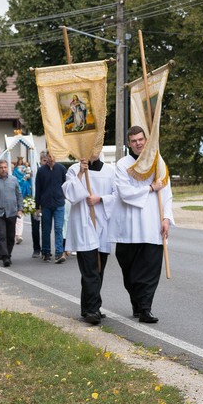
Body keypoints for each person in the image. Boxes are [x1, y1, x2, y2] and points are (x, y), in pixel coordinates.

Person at [109, 126, 173, 323]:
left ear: (146, 140)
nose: (138, 143)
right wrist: (151, 187)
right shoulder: (122, 165)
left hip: (153, 225)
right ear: (129, 143)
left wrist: (166, 219)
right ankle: (137, 302)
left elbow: (167, 192)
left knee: (150, 270)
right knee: (130, 272)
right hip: (129, 229)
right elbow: (125, 193)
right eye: (134, 140)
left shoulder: (157, 161)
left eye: (141, 139)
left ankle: (146, 309)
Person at [62, 155, 115, 325]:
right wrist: (80, 173)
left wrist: (100, 199)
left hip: (102, 223)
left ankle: (89, 306)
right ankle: (92, 309)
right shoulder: (74, 170)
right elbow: (70, 194)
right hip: (84, 225)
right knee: (90, 269)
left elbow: (117, 196)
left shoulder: (110, 171)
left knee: (98, 269)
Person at [35, 149, 67, 263]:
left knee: (59, 228)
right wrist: (37, 206)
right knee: (46, 229)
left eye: (54, 156)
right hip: (46, 204)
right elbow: (38, 189)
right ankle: (46, 251)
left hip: (59, 203)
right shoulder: (41, 171)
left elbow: (66, 184)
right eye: (49, 156)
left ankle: (59, 252)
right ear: (47, 157)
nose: (52, 158)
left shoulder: (61, 169)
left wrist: (64, 197)